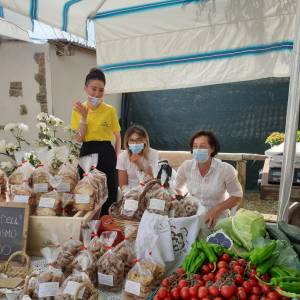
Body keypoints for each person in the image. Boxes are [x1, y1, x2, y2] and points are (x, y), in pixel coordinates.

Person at [70, 68, 121, 215]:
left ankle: (107, 221)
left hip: (106, 152)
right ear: (86, 88)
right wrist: (84, 118)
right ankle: (88, 224)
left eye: (101, 90)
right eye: (93, 89)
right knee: (87, 191)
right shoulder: (78, 110)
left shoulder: (110, 110)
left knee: (109, 189)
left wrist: (116, 159)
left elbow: (117, 136)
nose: (97, 94)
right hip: (87, 152)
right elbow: (79, 138)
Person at [175, 131, 243, 228]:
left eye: (202, 147)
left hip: (217, 218)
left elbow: (237, 195)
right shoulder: (186, 166)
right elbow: (177, 188)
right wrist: (183, 206)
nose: (198, 150)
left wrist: (216, 209)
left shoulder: (225, 169)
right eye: (195, 146)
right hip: (192, 216)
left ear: (212, 148)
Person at [117, 125, 159, 189]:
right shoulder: (122, 157)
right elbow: (123, 185)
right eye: (132, 140)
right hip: (130, 192)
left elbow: (151, 181)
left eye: (139, 140)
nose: (135, 143)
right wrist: (131, 194)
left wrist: (138, 164)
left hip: (149, 191)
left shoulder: (153, 154)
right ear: (127, 142)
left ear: (145, 141)